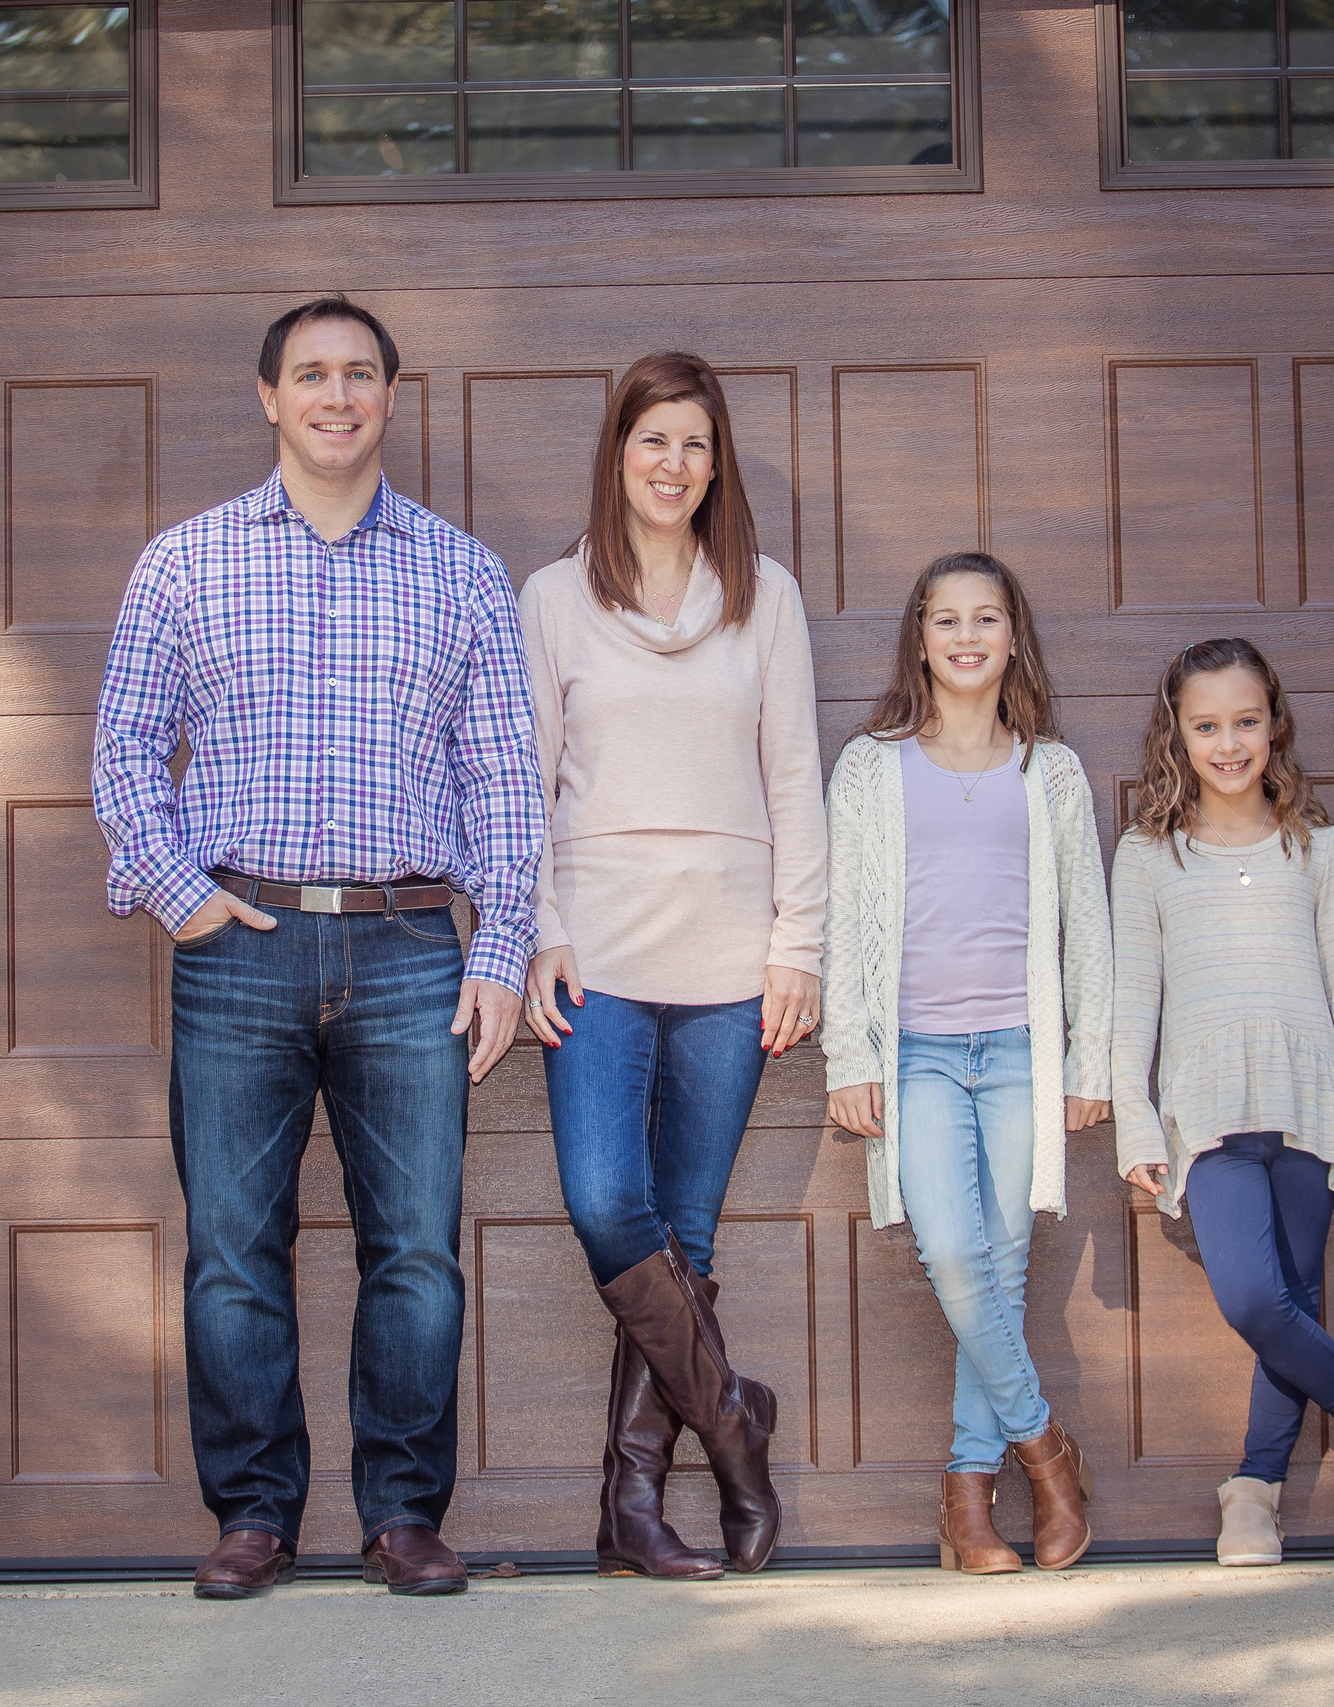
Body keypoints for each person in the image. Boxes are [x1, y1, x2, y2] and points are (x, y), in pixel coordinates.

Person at [92, 295, 542, 1601]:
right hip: (240, 942)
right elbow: (124, 745)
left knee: (416, 1251)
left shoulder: (461, 571)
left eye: (357, 374)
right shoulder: (186, 562)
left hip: (409, 947)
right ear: (268, 397)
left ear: (391, 398)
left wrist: (499, 947)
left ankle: (403, 1513)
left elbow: (503, 777)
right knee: (234, 1250)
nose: (335, 395)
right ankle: (253, 1513)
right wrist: (178, 892)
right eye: (310, 374)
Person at [519, 350, 826, 1578]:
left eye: (695, 443)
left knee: (682, 1239)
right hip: (593, 953)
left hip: (729, 956)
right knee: (609, 1208)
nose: (674, 462)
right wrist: (537, 929)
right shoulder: (552, 598)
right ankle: (736, 1431)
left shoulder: (766, 598)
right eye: (653, 438)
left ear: (716, 465)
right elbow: (524, 786)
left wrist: (797, 946)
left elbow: (793, 777)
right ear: (617, 453)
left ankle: (632, 1510)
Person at [1109, 638, 1334, 1568]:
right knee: (1256, 1299)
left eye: (1245, 721)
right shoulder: (1148, 855)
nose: (1228, 743)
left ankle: (1254, 1491)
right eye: (1207, 725)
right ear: (1177, 734)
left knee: (1294, 1301)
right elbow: (1133, 1001)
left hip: (1307, 1105)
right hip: (1207, 1113)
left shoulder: (1316, 848)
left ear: (1274, 725)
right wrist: (1135, 1119)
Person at [820, 552, 1113, 1575]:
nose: (966, 636)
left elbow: (1087, 925)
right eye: (945, 619)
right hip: (920, 1059)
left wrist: (1089, 1057)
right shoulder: (871, 767)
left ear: (1013, 638)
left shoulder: (1050, 771)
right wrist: (847, 1054)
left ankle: (966, 1503)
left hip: (1021, 1054)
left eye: (985, 618)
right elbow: (843, 920)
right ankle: (1047, 1453)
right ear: (920, 640)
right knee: (953, 1255)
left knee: (1001, 1270)